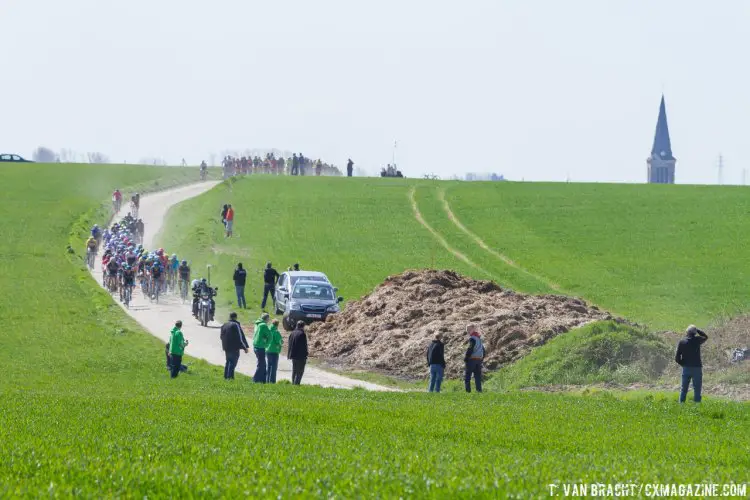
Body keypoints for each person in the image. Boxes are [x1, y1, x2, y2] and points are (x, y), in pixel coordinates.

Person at [675, 325, 709, 403]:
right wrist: (697, 330)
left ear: (687, 332)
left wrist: (683, 364)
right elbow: (705, 336)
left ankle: (681, 404)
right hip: (697, 368)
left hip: (686, 368)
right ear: (694, 333)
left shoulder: (682, 342)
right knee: (697, 389)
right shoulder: (697, 340)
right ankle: (697, 405)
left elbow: (677, 358)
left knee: (684, 389)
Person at [220, 312, 249, 380]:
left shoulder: (224, 324)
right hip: (234, 347)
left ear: (229, 317)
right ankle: (230, 378)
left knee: (228, 361)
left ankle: (226, 376)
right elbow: (240, 337)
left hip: (226, 346)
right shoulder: (235, 324)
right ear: (236, 317)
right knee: (233, 362)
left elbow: (221, 336)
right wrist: (245, 347)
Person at [464, 324, 485, 393]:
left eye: (469, 330)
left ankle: (468, 392)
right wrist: (482, 358)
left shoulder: (472, 338)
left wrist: (466, 357)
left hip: (472, 359)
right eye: (467, 330)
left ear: (473, 329)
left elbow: (470, 348)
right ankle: (479, 391)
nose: (468, 331)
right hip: (478, 359)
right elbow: (483, 350)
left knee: (467, 376)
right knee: (477, 376)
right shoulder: (479, 338)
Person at [252, 313, 272, 383]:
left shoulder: (257, 323)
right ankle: (255, 379)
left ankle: (263, 380)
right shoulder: (263, 325)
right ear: (267, 319)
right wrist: (266, 344)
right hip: (260, 347)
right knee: (261, 365)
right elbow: (270, 336)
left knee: (263, 364)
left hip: (255, 346)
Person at [288, 321, 308, 385]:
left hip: (293, 355)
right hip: (300, 356)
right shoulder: (302, 334)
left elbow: (289, 344)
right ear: (303, 326)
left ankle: (293, 383)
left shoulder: (292, 333)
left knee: (294, 370)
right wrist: (306, 354)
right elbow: (304, 346)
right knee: (300, 371)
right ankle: (296, 384)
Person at [266, 319, 283, 383]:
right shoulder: (276, 332)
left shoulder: (268, 330)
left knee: (269, 366)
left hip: (267, 349)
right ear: (277, 325)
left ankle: (267, 380)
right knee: (274, 367)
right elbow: (279, 341)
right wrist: (281, 342)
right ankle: (272, 381)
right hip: (274, 351)